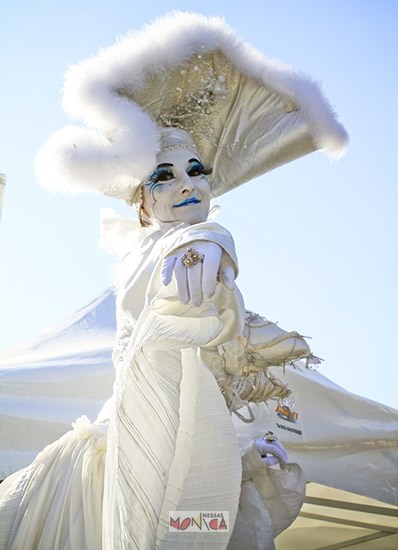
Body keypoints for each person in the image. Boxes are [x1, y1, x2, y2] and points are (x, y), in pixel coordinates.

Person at [0, 12, 348, 549]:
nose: (187, 184)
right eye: (165, 176)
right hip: (130, 465)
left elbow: (191, 398)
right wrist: (205, 239)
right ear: (142, 202)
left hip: (183, 460)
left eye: (197, 171)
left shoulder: (189, 262)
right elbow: (163, 303)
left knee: (200, 527)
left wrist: (243, 463)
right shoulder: (158, 252)